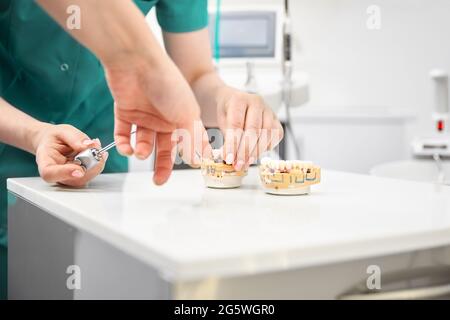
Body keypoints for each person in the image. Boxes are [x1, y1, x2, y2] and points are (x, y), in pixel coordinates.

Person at [0, 0, 283, 299]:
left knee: (92, 279)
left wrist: (227, 100)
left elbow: (196, 77)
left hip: (101, 168)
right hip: (8, 141)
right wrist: (35, 134)